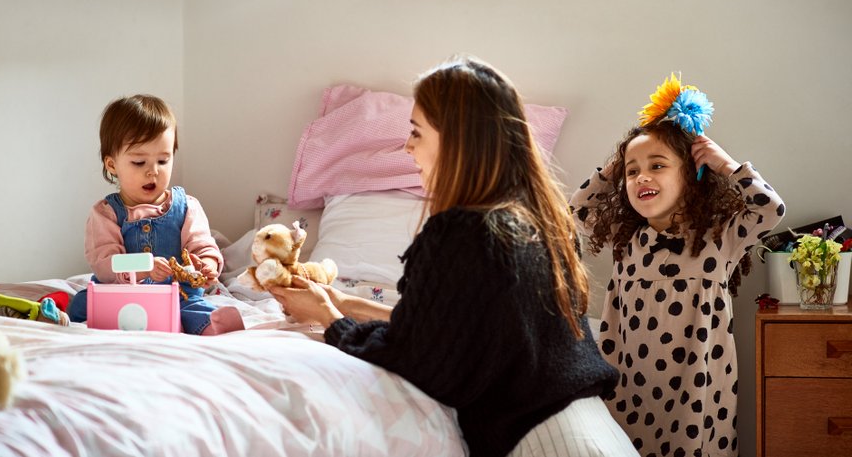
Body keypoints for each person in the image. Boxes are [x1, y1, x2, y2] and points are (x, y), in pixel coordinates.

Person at [272, 56, 637, 457]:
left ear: (458, 139)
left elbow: (423, 363)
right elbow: (455, 333)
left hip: (542, 441)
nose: (407, 146)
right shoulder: (541, 219)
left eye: (417, 133)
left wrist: (329, 320)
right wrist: (343, 302)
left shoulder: (464, 231)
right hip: (595, 431)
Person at [569, 74, 786, 457]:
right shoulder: (626, 238)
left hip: (697, 399)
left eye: (657, 165)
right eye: (632, 171)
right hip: (629, 393)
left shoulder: (719, 239)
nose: (642, 177)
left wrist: (726, 165)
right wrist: (614, 167)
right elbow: (579, 209)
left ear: (691, 176)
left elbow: (770, 209)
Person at [68, 94, 244, 336]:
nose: (153, 171)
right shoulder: (105, 214)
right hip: (123, 294)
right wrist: (144, 268)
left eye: (163, 160)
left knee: (194, 309)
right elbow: (105, 264)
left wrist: (207, 265)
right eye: (139, 162)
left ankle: (214, 324)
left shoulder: (186, 207)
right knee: (81, 304)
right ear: (112, 165)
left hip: (176, 295)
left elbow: (203, 246)